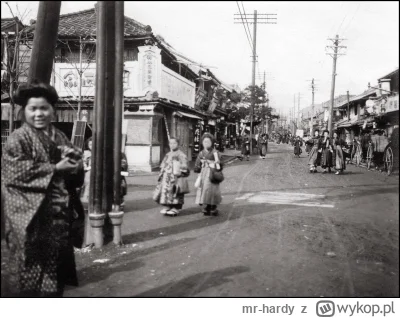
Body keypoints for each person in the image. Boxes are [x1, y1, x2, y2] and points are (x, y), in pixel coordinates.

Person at [1, 81, 84, 297]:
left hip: (56, 214)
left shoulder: (59, 136)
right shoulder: (17, 139)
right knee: (27, 267)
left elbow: (74, 168)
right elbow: (14, 173)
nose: (39, 114)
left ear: (53, 110)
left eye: (44, 108)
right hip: (28, 215)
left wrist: (75, 161)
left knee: (54, 267)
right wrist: (55, 168)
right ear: (23, 111)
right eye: (33, 108)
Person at [154, 137, 189, 216]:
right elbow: (163, 165)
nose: (172, 145)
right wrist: (161, 174)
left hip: (176, 177)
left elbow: (185, 166)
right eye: (170, 143)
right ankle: (167, 206)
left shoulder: (181, 154)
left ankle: (175, 208)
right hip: (167, 176)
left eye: (174, 143)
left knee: (175, 192)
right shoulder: (167, 154)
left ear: (178, 144)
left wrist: (180, 169)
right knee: (166, 191)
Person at [194, 133, 223, 216]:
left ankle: (213, 206)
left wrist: (216, 162)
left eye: (208, 141)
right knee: (204, 189)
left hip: (212, 173)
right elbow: (197, 163)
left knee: (212, 190)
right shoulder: (201, 153)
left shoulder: (215, 152)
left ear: (212, 142)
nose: (206, 143)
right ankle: (207, 205)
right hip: (204, 172)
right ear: (202, 143)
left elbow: (220, 163)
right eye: (204, 142)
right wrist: (198, 168)